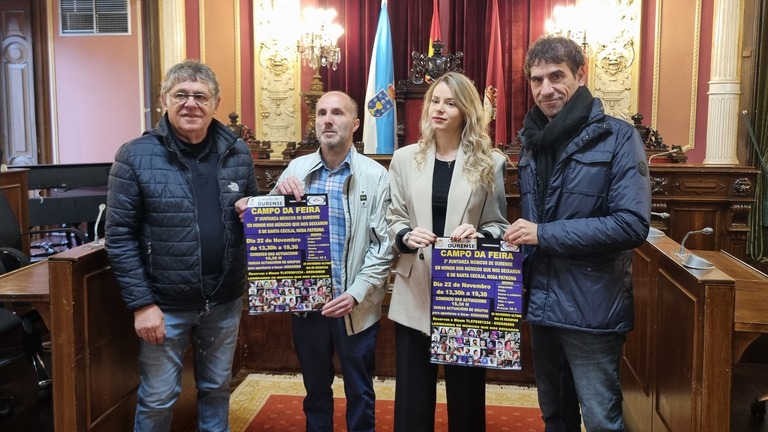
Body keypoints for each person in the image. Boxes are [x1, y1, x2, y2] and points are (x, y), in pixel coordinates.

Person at [503, 35, 651, 431]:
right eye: (536, 80)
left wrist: (543, 234)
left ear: (581, 75)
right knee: (555, 416)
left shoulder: (618, 137)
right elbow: (533, 225)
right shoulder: (531, 142)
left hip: (592, 307)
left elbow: (632, 224)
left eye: (556, 76)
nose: (546, 89)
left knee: (601, 421)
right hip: (542, 303)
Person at [105, 59, 259, 432]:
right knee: (158, 399)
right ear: (164, 100)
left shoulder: (238, 152)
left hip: (223, 301)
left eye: (200, 96)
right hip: (164, 305)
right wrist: (142, 305)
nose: (191, 104)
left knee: (217, 389)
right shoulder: (134, 155)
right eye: (181, 95)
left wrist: (255, 210)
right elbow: (120, 236)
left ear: (215, 103)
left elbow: (253, 216)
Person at [237, 91, 393, 432]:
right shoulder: (296, 169)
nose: (327, 120)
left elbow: (383, 247)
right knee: (315, 392)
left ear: (355, 123)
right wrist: (265, 202)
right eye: (322, 113)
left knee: (360, 392)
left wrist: (356, 293)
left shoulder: (376, 175)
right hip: (307, 306)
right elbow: (271, 233)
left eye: (337, 113)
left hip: (353, 306)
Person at [387, 71, 509, 431]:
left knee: (466, 397)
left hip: (465, 289)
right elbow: (393, 217)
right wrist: (405, 235)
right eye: (435, 101)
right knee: (412, 398)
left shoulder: (490, 161)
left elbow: (498, 224)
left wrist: (479, 234)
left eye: (450, 103)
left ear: (466, 111)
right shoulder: (404, 158)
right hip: (415, 287)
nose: (439, 109)